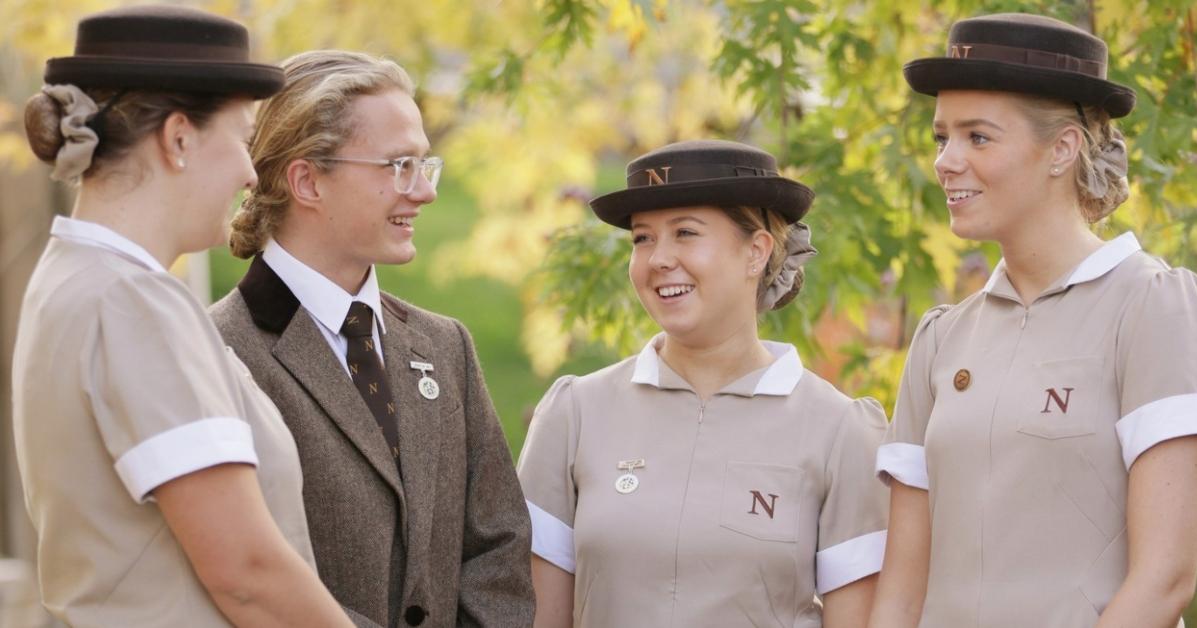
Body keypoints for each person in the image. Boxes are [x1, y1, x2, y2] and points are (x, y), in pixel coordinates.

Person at [11, 6, 355, 627]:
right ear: (178, 139)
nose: (251, 173)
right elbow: (245, 574)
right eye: (244, 142)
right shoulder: (130, 302)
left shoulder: (68, 278)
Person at [868, 13, 1197, 628]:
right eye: (942, 137)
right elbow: (901, 595)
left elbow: (1167, 577)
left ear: (1062, 149)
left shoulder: (1152, 306)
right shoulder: (942, 338)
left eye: (978, 137)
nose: (946, 160)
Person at [209, 50, 534, 628]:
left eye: (423, 165)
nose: (424, 192)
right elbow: (234, 576)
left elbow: (498, 550)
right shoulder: (216, 351)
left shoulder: (445, 347)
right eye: (398, 165)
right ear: (307, 179)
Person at [518, 139, 889, 627]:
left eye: (685, 233)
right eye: (643, 239)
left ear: (756, 251)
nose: (658, 259)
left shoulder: (841, 430)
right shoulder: (574, 413)